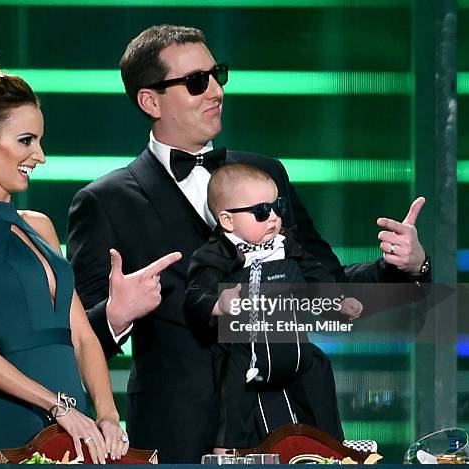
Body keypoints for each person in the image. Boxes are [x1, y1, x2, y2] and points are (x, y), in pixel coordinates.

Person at [66, 24, 429, 463]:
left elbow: (325, 283)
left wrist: (402, 268)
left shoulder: (266, 173)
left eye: (217, 74)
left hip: (291, 421)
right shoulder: (104, 202)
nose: (216, 90)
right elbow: (77, 340)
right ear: (150, 100)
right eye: (198, 81)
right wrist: (116, 315)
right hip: (182, 430)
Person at [0, 43, 129, 464]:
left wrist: (107, 415)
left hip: (80, 427)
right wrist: (56, 406)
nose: (40, 155)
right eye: (26, 140)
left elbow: (82, 336)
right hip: (13, 423)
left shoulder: (41, 226)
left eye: (39, 141)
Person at [185, 163, 362, 450]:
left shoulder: (285, 244)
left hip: (292, 342)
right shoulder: (215, 254)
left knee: (318, 369)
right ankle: (229, 448)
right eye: (260, 211)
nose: (273, 218)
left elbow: (314, 273)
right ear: (228, 221)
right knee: (234, 391)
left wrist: (337, 300)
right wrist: (218, 304)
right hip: (247, 349)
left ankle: (331, 444)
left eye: (277, 207)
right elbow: (195, 293)